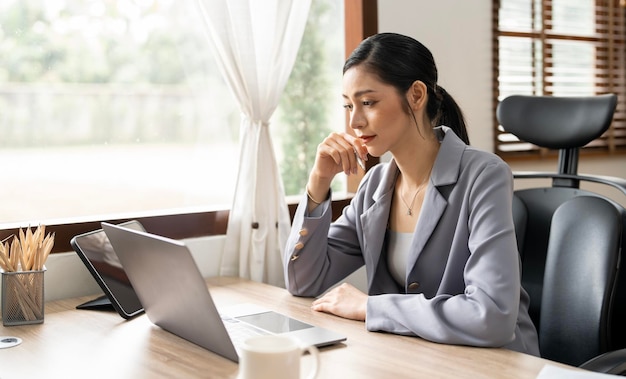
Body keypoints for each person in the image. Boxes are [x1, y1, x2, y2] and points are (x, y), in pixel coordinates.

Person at [283, 32, 540, 355]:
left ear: (416, 95)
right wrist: (318, 182)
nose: (355, 122)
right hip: (418, 360)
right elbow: (304, 281)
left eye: (368, 103)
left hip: (495, 364)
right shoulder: (375, 185)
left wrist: (370, 307)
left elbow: (493, 316)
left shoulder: (484, 175)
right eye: (349, 106)